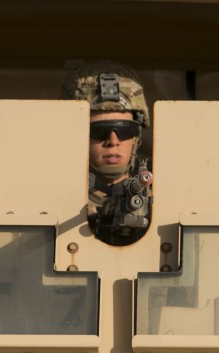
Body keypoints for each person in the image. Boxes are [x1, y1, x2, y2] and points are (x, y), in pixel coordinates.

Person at [60, 62, 152, 245]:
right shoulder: (55, 205)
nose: (113, 141)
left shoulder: (164, 204)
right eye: (100, 131)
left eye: (124, 130)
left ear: (136, 138)